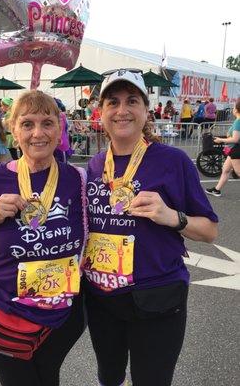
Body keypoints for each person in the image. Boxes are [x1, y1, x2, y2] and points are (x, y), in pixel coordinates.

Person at [83, 69, 218, 386]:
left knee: (152, 380)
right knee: (109, 376)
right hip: (102, 297)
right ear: (100, 112)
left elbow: (210, 230)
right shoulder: (93, 164)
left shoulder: (173, 161)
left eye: (132, 100)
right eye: (112, 102)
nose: (122, 110)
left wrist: (173, 217)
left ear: (146, 109)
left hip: (157, 295)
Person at [0, 90, 87, 386]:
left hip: (62, 318)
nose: (38, 133)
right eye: (27, 124)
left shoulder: (77, 179)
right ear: (13, 131)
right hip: (4, 315)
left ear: (59, 128)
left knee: (48, 378)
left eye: (47, 123)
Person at [205, 98, 240, 197]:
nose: (232, 109)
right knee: (226, 169)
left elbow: (235, 139)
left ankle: (216, 190)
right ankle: (217, 190)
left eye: (233, 107)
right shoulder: (238, 121)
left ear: (236, 110)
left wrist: (221, 140)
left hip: (236, 149)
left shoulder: (238, 122)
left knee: (238, 172)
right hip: (234, 149)